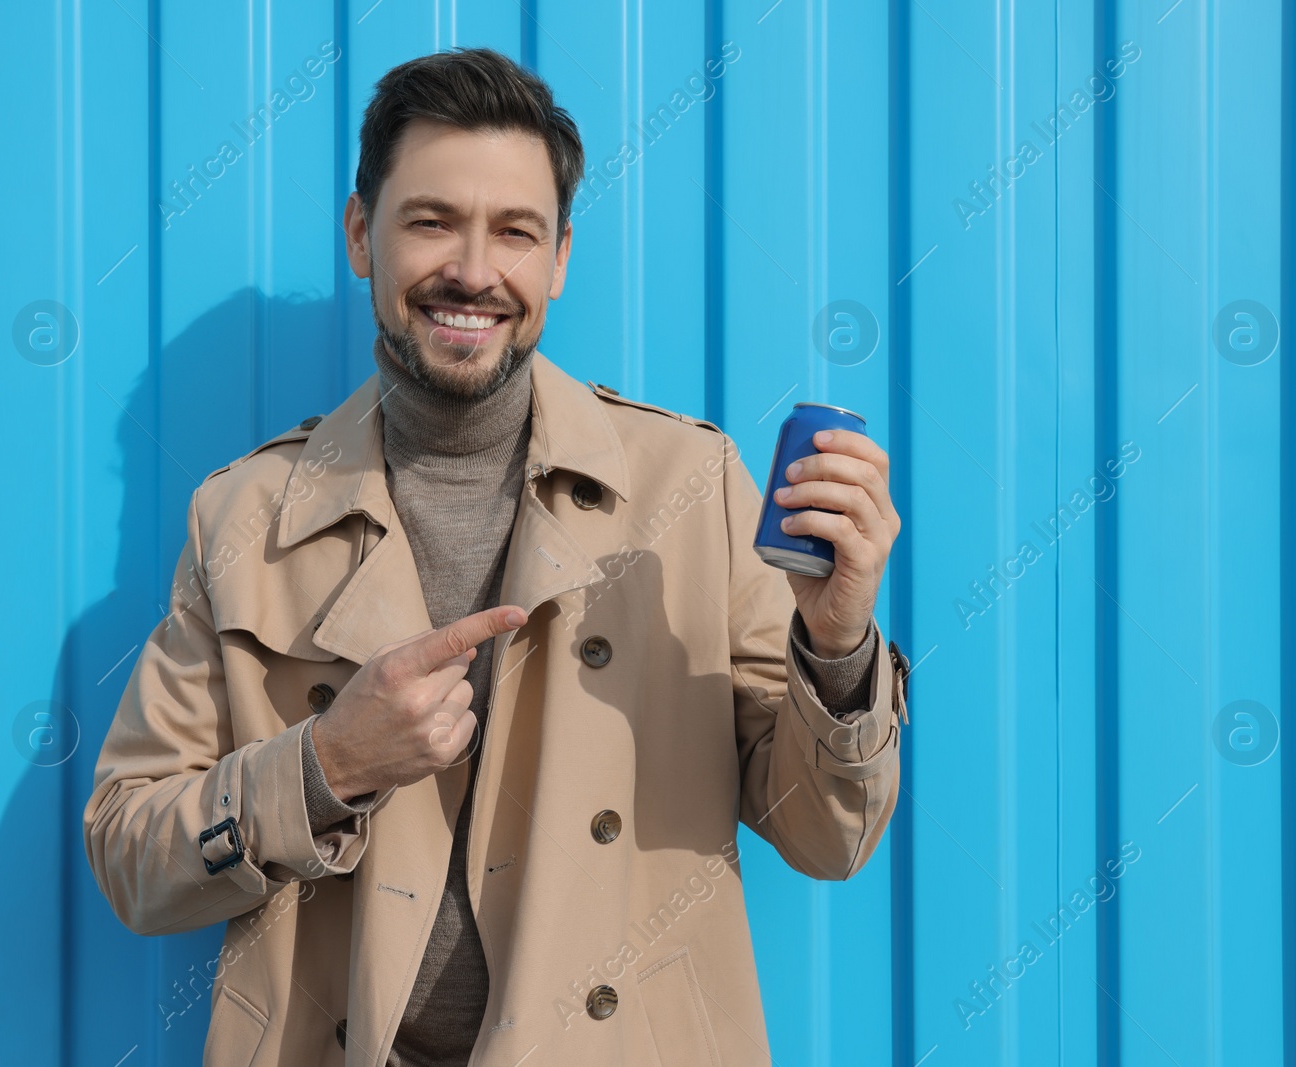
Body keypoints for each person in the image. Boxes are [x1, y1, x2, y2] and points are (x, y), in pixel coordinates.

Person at [83, 46, 907, 1067]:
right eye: (431, 221)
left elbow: (829, 837)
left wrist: (834, 641)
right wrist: (325, 764)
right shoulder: (244, 514)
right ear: (359, 235)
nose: (472, 271)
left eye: (514, 232)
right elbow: (129, 851)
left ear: (558, 257)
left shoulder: (687, 485)